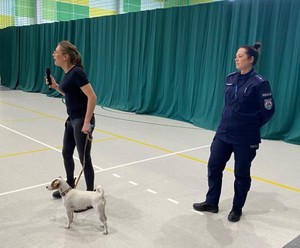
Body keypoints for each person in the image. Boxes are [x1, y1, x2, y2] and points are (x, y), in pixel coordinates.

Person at [193, 42, 275, 222]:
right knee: (214, 166)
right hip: (224, 133)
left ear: (251, 59)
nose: (236, 59)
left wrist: (251, 125)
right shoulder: (230, 78)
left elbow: (268, 111)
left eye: (240, 56)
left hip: (245, 137)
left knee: (241, 173)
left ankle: (237, 208)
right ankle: (211, 202)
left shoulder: (260, 83)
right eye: (236, 56)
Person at [46, 40, 97, 211]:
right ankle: (69, 186)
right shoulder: (68, 73)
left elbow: (92, 97)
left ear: (65, 56)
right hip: (71, 120)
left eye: (56, 52)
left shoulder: (77, 73)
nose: (54, 54)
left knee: (85, 160)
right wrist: (56, 87)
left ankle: (91, 196)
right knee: (66, 153)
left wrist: (86, 122)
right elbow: (70, 93)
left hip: (81, 121)